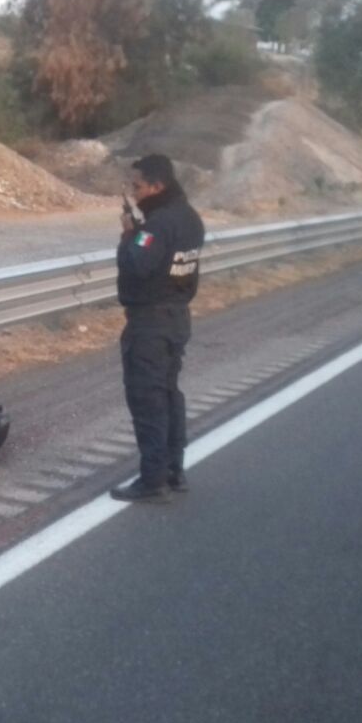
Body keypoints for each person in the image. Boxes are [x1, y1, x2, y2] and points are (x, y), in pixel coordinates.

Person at [110, 154, 206, 504]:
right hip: (177, 318)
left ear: (157, 185)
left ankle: (153, 480)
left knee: (148, 400)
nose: (134, 195)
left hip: (150, 323)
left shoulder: (159, 225)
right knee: (168, 395)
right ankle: (173, 470)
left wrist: (128, 235)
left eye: (138, 187)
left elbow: (138, 263)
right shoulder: (190, 219)